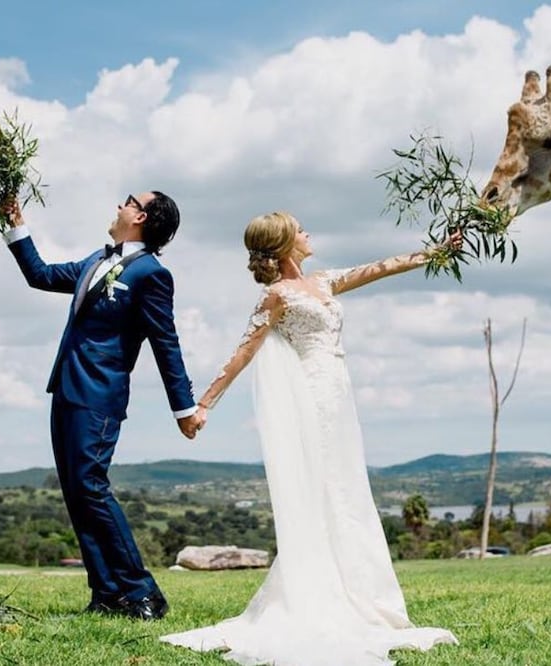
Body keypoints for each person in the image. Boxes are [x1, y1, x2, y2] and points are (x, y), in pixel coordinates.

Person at [160, 212, 459, 664]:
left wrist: (434, 253)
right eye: (300, 229)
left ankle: (358, 590)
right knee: (324, 492)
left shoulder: (323, 281)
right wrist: (204, 405)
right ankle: (319, 593)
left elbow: (379, 267)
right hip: (312, 398)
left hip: (340, 396)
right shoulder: (276, 296)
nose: (308, 234)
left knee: (345, 488)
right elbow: (243, 352)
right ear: (283, 244)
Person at [1, 192, 207, 621]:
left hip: (100, 394)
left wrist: (183, 409)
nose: (118, 205)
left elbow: (165, 342)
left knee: (91, 486)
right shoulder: (97, 259)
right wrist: (16, 225)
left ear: (141, 216)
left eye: (127, 201)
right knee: (77, 494)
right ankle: (108, 593)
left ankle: (143, 591)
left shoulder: (152, 274)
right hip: (65, 387)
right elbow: (40, 275)